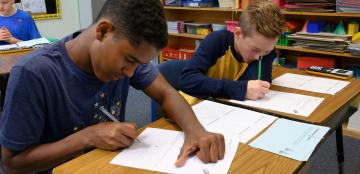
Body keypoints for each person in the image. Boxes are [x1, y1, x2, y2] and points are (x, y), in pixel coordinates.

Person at [0, 0, 225, 173]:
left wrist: (196, 131)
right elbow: (11, 164)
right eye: (129, 60)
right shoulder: (35, 73)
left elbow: (166, 93)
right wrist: (87, 137)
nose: (130, 72)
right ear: (103, 31)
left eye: (138, 65)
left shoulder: (129, 60)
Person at [179, 0, 285, 104]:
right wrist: (239, 88)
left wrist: (266, 52)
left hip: (224, 106)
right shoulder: (217, 41)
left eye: (267, 51)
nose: (259, 57)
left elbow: (256, 87)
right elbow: (187, 80)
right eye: (254, 49)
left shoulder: (262, 50)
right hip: (193, 106)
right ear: (238, 34)